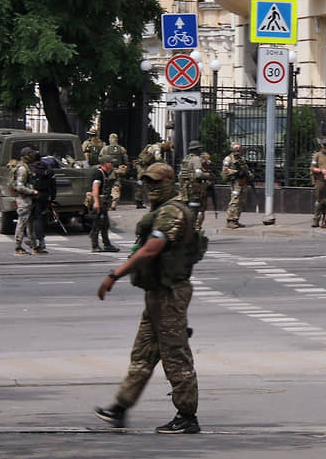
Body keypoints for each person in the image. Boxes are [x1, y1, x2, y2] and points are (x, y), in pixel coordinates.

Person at [95, 163, 201, 434]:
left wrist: (114, 274)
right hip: (157, 293)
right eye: (147, 183)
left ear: (169, 183)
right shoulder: (161, 210)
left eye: (156, 182)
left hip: (170, 294)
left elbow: (152, 249)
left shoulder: (172, 212)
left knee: (175, 354)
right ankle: (120, 409)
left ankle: (187, 416)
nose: (151, 188)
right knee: (143, 354)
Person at [89, 156, 120, 253]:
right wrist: (96, 202)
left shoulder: (106, 173)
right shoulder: (98, 173)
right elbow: (95, 188)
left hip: (104, 203)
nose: (112, 164)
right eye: (110, 162)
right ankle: (95, 246)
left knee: (105, 225)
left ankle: (107, 245)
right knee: (97, 224)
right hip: (99, 203)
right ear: (105, 163)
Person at [180, 141, 211, 231]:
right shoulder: (196, 159)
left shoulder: (186, 159)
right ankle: (194, 229)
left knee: (187, 209)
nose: (201, 150)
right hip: (195, 189)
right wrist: (208, 175)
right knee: (196, 209)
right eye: (199, 148)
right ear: (196, 149)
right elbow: (199, 174)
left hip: (185, 188)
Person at [29, 150, 56, 254]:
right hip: (45, 196)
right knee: (40, 217)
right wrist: (53, 198)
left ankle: (37, 241)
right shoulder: (48, 169)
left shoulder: (31, 169)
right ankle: (39, 240)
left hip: (33, 195)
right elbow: (53, 185)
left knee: (34, 219)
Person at [12, 147, 37, 255]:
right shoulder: (22, 169)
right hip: (24, 200)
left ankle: (34, 245)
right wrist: (32, 191)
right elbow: (19, 186)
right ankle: (18, 247)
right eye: (31, 154)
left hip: (28, 200)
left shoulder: (27, 167)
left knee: (30, 224)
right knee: (22, 223)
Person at [221, 142, 252, 229]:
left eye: (239, 147)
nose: (238, 149)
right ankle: (230, 220)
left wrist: (249, 175)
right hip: (235, 182)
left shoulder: (241, 158)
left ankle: (236, 219)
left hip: (243, 182)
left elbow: (246, 169)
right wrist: (237, 172)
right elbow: (225, 171)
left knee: (241, 201)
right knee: (235, 201)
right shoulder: (228, 158)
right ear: (232, 148)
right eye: (236, 148)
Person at [134, 140, 172, 209]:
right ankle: (138, 201)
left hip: (146, 165)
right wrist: (165, 164)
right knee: (140, 182)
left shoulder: (159, 148)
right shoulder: (157, 148)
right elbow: (158, 158)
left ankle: (141, 200)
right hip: (142, 166)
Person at [100, 133, 129, 211]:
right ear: (117, 140)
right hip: (117, 171)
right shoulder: (122, 149)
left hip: (107, 170)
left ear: (110, 139)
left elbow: (100, 159)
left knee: (105, 186)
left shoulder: (105, 149)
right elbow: (126, 161)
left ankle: (105, 203)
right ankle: (113, 204)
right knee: (116, 186)